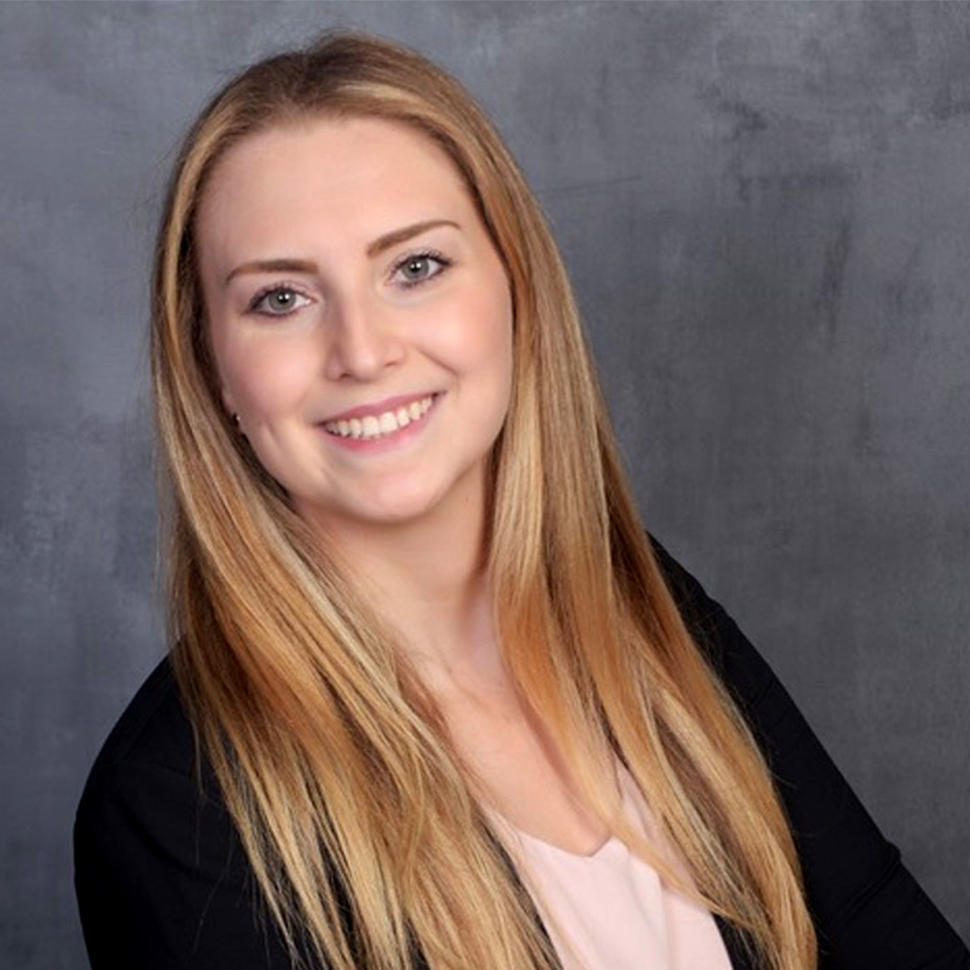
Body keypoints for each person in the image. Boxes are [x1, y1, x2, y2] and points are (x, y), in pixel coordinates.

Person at [73, 29, 969, 970]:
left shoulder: (646, 611)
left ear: (517, 287)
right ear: (212, 365)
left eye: (415, 267)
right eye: (282, 299)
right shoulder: (174, 810)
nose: (364, 351)